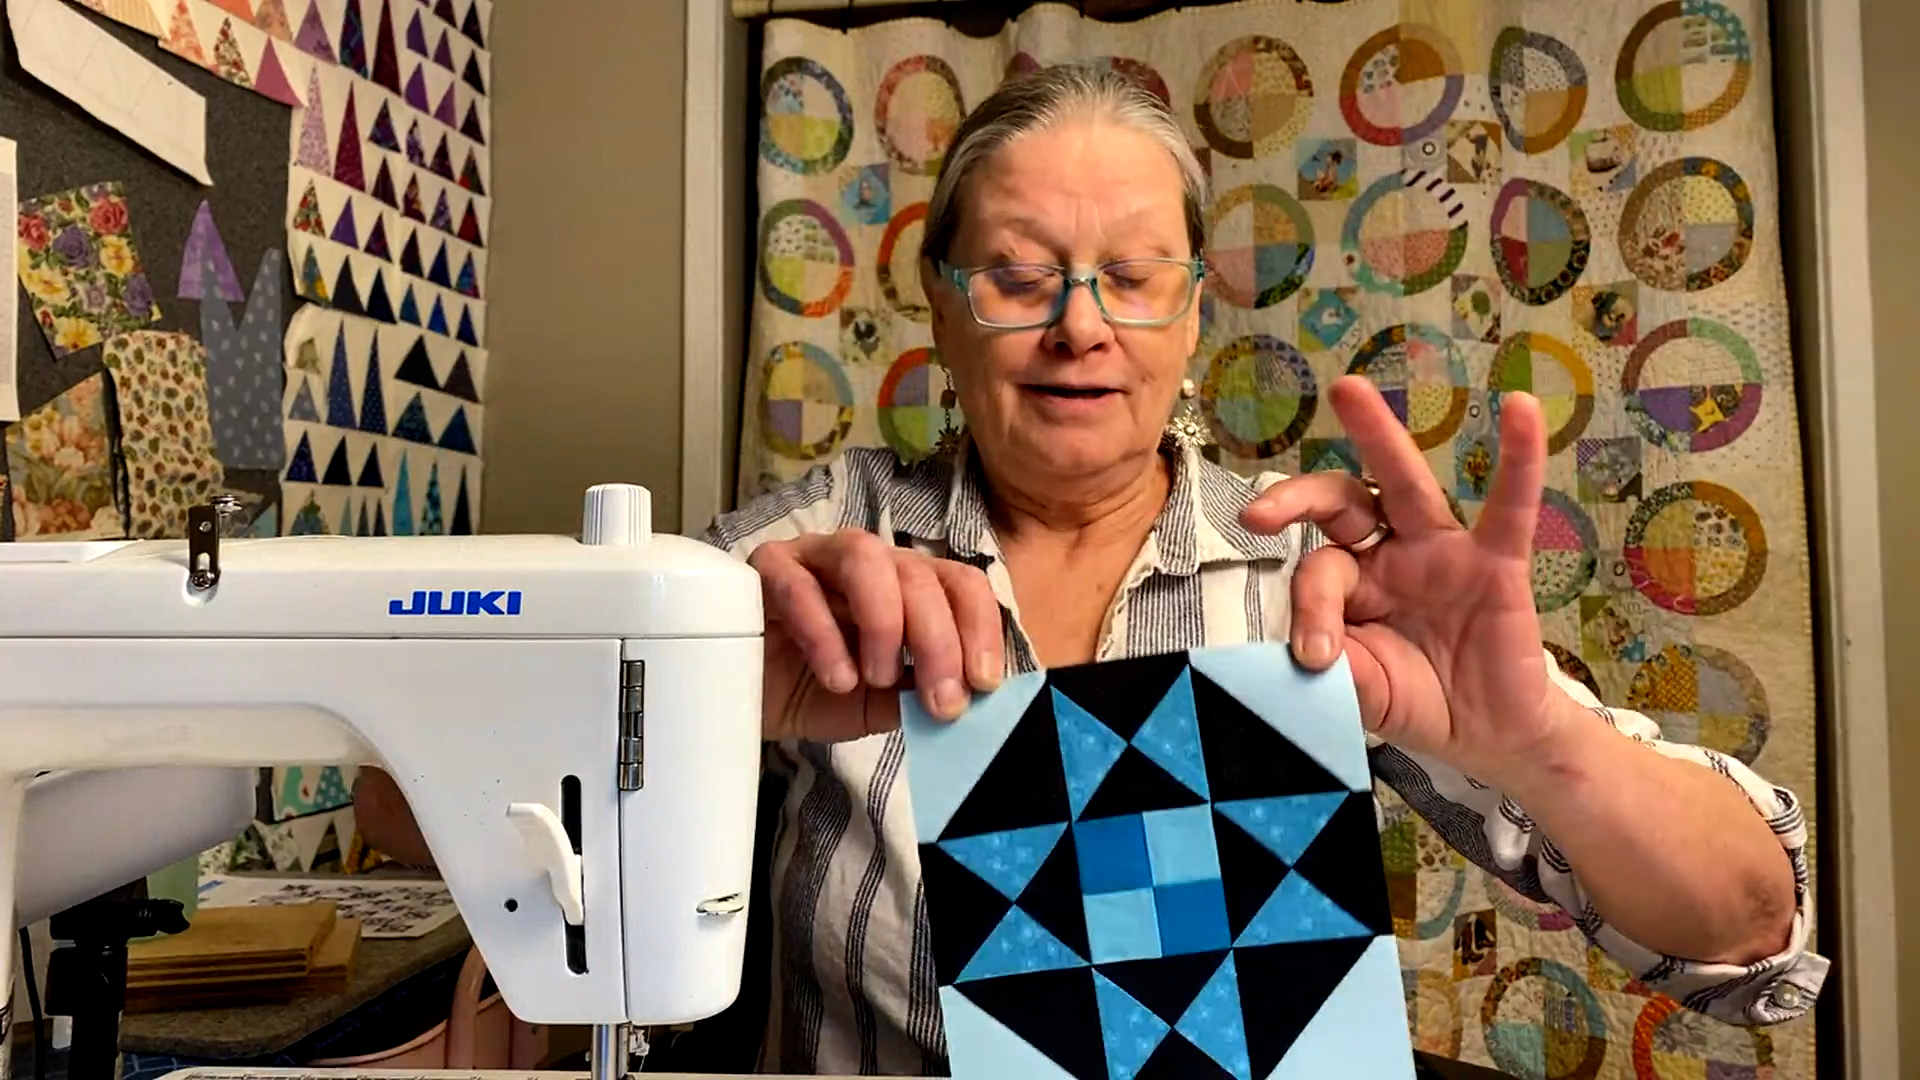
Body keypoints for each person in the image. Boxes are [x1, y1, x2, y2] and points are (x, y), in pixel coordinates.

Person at [358, 63, 1825, 1077]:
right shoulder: (812, 552)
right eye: (1018, 274)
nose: (1079, 325)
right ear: (940, 309)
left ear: (1191, 315)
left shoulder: (1318, 586)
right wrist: (696, 706)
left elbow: (1751, 939)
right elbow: (397, 813)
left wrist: (1542, 740)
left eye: (1132, 277)